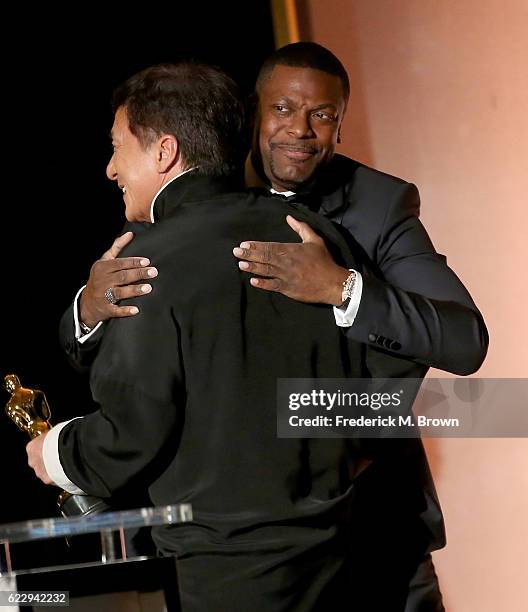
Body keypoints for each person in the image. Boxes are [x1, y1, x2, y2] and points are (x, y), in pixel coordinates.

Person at [55, 44, 488, 611]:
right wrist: (87, 311)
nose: (301, 131)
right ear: (251, 112)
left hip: (374, 526)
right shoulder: (195, 192)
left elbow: (461, 340)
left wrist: (340, 290)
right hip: (240, 540)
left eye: (322, 115)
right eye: (283, 110)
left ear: (340, 124)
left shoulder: (380, 205)